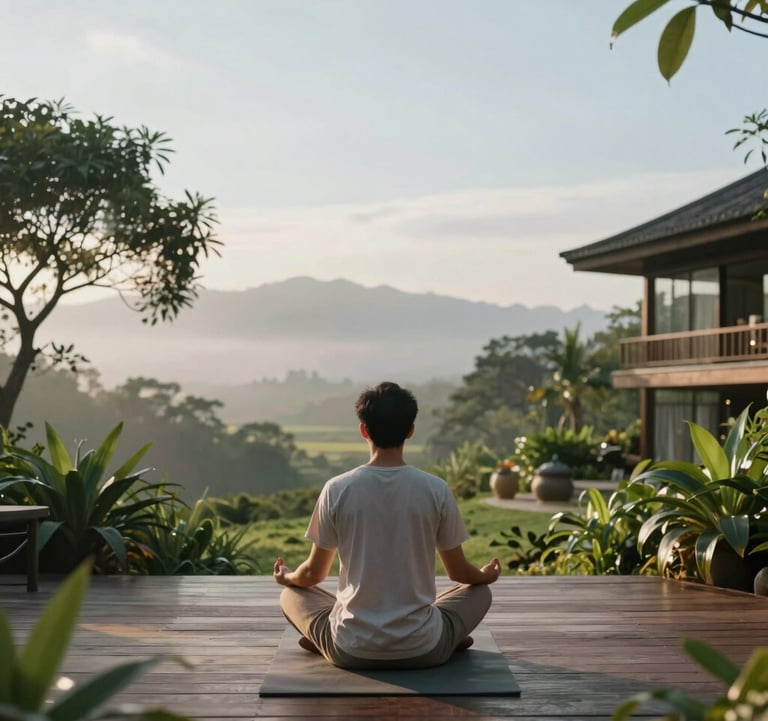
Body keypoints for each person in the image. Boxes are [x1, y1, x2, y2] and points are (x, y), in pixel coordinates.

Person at [273, 381, 501, 669]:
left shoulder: (337, 488)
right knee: (479, 592)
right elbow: (458, 572)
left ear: (363, 430)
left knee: (290, 595)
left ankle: (323, 641)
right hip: (423, 649)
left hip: (351, 649)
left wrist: (287, 577)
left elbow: (313, 574)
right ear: (410, 431)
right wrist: (485, 576)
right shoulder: (436, 489)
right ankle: (448, 640)